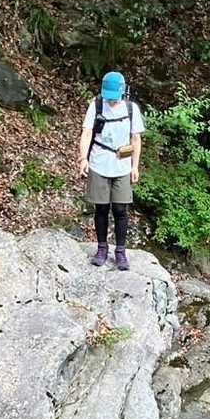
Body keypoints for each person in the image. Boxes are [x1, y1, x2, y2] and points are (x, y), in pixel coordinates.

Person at [79, 71, 143, 270]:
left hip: (122, 165)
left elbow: (136, 139)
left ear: (122, 92)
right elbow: (87, 132)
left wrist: (135, 166)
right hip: (99, 162)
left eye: (114, 97)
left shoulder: (131, 109)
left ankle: (120, 251)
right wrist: (83, 158)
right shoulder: (96, 105)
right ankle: (101, 249)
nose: (111, 100)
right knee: (101, 208)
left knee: (120, 209)